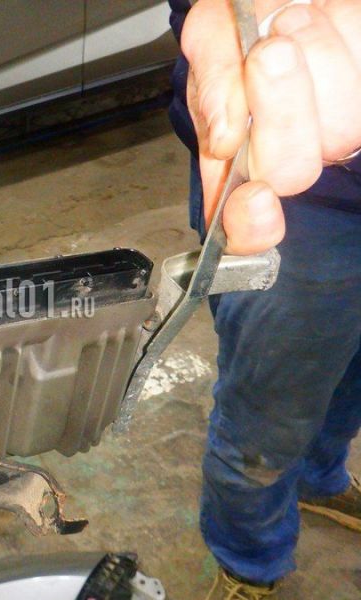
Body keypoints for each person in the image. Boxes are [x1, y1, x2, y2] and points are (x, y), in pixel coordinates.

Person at [167, 0, 361, 597]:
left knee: (350, 380)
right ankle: (248, 563)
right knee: (266, 421)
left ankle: (320, 479)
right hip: (302, 207)